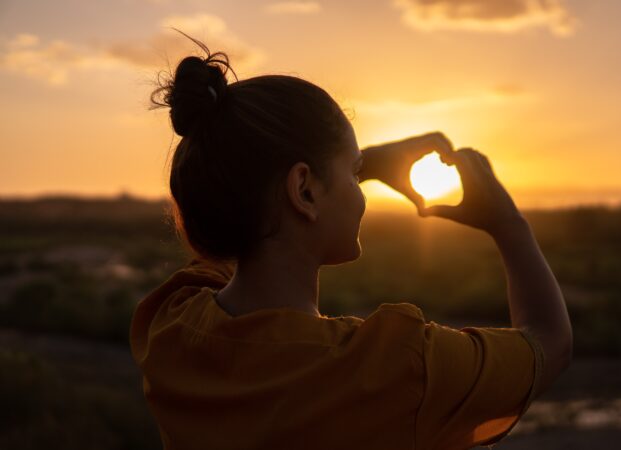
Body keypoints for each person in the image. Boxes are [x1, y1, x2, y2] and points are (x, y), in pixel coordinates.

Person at [129, 33, 572, 450]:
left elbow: (247, 225)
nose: (361, 189)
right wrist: (509, 224)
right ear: (303, 190)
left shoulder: (170, 325)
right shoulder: (396, 368)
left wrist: (344, 167)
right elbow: (548, 342)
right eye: (354, 173)